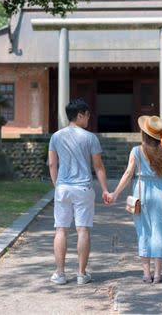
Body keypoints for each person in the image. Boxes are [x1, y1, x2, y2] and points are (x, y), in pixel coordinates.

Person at [106, 115, 162, 284]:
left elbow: (129, 173)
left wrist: (115, 194)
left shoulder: (137, 151)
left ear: (144, 133)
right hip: (160, 192)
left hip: (142, 191)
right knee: (159, 231)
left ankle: (146, 274)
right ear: (159, 134)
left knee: (144, 232)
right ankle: (158, 274)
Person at [48, 98, 109, 285]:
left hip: (63, 188)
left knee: (61, 230)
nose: (89, 118)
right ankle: (81, 274)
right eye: (88, 115)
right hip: (83, 187)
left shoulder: (56, 136)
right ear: (80, 115)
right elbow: (98, 166)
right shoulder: (90, 138)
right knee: (83, 230)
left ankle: (60, 274)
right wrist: (105, 189)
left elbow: (52, 163)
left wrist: (57, 185)